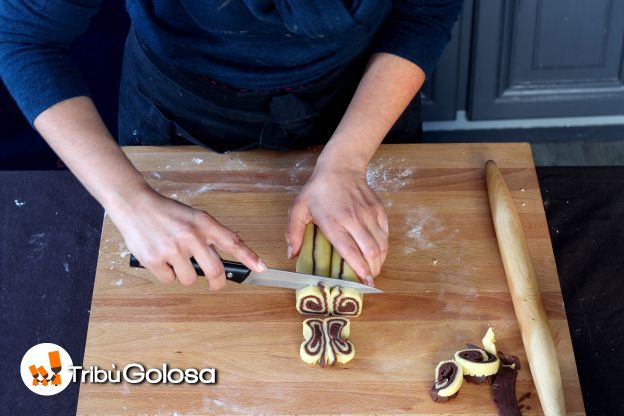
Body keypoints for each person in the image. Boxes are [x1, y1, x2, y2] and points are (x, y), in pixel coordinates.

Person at [0, 0, 462, 290]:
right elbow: (21, 37)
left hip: (365, 93)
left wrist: (346, 160)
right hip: (176, 107)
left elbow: (422, 12)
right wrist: (129, 200)